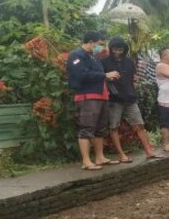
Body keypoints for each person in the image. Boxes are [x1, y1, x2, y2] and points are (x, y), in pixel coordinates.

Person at [101, 36, 163, 162]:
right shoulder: (104, 62)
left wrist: (133, 85)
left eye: (120, 49)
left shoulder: (129, 62)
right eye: (115, 49)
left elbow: (133, 78)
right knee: (114, 127)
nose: (118, 52)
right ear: (111, 48)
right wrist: (107, 78)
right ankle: (121, 154)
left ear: (125, 49)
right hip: (114, 99)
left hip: (130, 98)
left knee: (139, 124)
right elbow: (101, 78)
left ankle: (149, 151)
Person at [67, 31, 120, 170]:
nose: (101, 48)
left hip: (101, 96)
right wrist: (105, 75)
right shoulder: (76, 55)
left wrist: (106, 77)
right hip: (87, 96)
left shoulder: (94, 57)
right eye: (99, 44)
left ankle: (99, 157)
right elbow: (81, 74)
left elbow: (99, 76)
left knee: (100, 129)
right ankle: (86, 161)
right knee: (86, 128)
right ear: (91, 42)